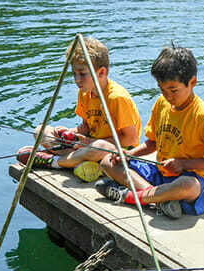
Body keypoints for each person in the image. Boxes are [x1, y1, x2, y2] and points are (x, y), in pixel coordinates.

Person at [96, 46, 204, 219]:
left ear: (192, 82)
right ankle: (160, 199)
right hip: (161, 174)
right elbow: (152, 142)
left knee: (186, 185)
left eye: (173, 90)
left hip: (193, 178)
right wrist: (130, 154)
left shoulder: (203, 116)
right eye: (162, 89)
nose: (168, 96)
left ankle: (130, 196)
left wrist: (183, 164)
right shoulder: (161, 104)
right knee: (108, 160)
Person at [17, 36, 141, 183]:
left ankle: (55, 162)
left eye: (82, 74)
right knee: (41, 131)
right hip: (86, 148)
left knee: (98, 147)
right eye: (74, 73)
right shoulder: (84, 92)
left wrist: (92, 142)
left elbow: (130, 139)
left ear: (101, 73)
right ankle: (78, 163)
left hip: (116, 153)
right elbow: (86, 127)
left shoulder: (116, 97)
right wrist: (72, 132)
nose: (77, 79)